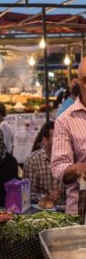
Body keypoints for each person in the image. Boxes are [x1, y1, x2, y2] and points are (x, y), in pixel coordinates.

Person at [51, 58, 86, 215]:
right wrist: (78, 168)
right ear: (81, 82)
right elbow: (58, 166)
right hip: (80, 211)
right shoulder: (65, 119)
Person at [23, 121, 61, 204]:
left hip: (66, 209)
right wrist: (46, 197)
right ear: (45, 140)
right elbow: (26, 194)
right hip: (41, 211)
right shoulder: (33, 160)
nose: (61, 141)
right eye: (56, 138)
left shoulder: (70, 158)